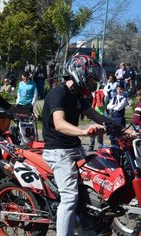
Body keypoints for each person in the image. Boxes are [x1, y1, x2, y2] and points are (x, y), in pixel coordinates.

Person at [42, 54, 112, 236]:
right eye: (90, 77)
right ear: (79, 73)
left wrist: (123, 129)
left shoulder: (76, 95)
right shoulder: (59, 93)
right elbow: (59, 123)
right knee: (69, 196)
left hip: (74, 149)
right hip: (58, 151)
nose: (92, 82)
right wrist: (84, 131)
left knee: (98, 182)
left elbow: (97, 115)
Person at [88, 83, 107, 151]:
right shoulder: (95, 94)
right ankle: (91, 146)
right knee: (92, 131)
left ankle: (100, 145)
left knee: (100, 132)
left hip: (101, 116)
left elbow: (105, 102)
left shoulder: (104, 95)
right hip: (94, 115)